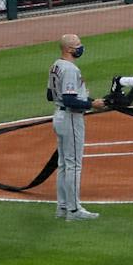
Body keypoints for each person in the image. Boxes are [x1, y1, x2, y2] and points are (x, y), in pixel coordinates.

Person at [47, 34, 97, 221]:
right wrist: (91, 103)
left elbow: (50, 95)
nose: (80, 47)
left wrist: (85, 99)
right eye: (77, 44)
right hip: (70, 118)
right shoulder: (69, 69)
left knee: (63, 164)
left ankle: (62, 207)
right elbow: (69, 100)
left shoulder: (56, 65)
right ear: (69, 49)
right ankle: (74, 210)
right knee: (73, 165)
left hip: (59, 116)